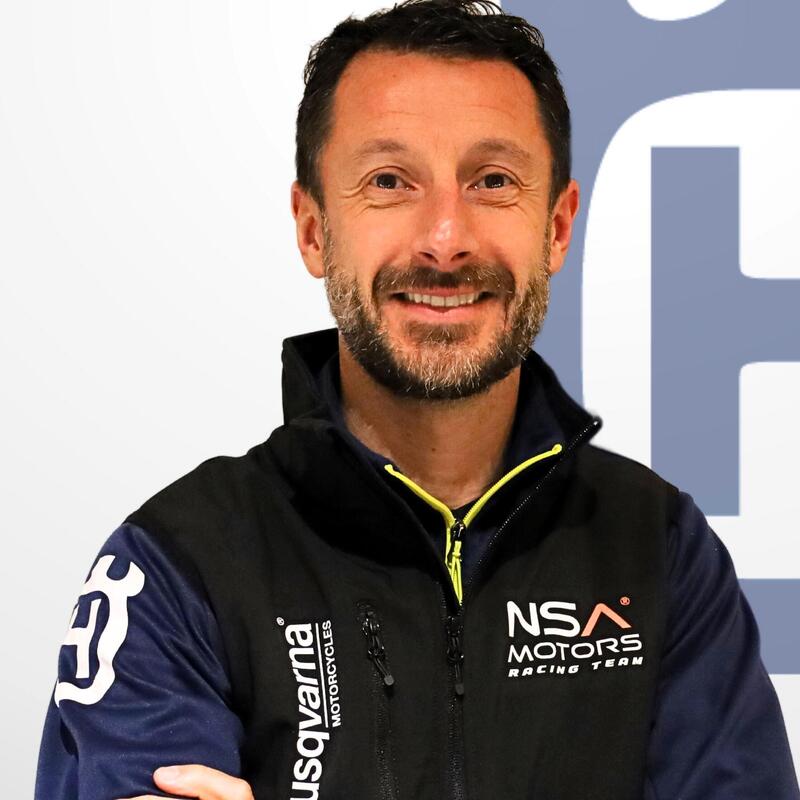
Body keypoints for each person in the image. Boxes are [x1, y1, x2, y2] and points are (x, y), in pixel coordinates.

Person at [35, 1, 800, 798]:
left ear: (557, 227)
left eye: (493, 181)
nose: (445, 238)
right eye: (389, 182)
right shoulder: (175, 566)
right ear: (313, 229)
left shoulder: (659, 550)